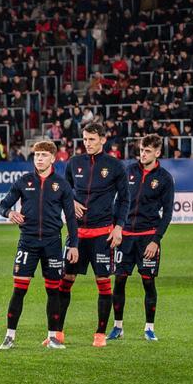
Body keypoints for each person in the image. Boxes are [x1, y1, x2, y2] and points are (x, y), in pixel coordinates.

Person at [0, 140, 78, 350]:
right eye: (37, 155)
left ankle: (52, 337)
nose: (39, 159)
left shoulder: (62, 184)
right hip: (27, 243)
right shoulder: (24, 181)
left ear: (53, 158)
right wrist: (9, 213)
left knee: (53, 291)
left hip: (52, 243)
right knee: (19, 290)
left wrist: (74, 245)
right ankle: (9, 337)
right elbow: (2, 205)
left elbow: (71, 217)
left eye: (43, 155)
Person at [61, 122, 128, 348]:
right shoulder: (74, 163)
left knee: (103, 284)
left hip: (102, 234)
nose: (87, 143)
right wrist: (71, 201)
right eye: (85, 139)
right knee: (65, 282)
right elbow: (64, 190)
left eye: (91, 139)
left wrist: (119, 227)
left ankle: (100, 334)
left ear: (102, 140)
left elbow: (125, 199)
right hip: (76, 235)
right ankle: (56, 332)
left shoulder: (115, 166)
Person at [110, 134, 174, 342]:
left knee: (148, 282)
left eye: (147, 151)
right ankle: (117, 327)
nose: (143, 154)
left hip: (147, 238)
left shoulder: (164, 178)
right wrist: (116, 228)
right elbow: (118, 202)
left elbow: (168, 213)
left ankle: (149, 328)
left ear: (157, 153)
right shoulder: (128, 171)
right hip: (125, 236)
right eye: (141, 150)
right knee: (119, 280)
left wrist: (156, 240)